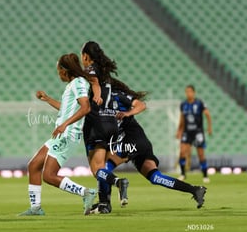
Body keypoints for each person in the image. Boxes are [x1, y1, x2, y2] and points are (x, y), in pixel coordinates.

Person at [91, 79, 207, 213]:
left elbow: (141, 105)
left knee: (103, 167)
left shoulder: (117, 95)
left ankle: (105, 203)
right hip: (140, 142)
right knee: (155, 177)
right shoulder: (100, 102)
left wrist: (128, 113)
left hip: (132, 140)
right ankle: (195, 190)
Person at [19, 53, 96, 216]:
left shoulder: (79, 83)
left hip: (68, 134)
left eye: (59, 71)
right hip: (62, 133)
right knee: (33, 166)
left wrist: (64, 125)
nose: (58, 74)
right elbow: (66, 108)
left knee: (48, 175)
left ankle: (86, 192)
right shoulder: (73, 85)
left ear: (64, 70)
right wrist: (47, 99)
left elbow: (85, 107)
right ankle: (35, 208)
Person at [80, 41, 128, 213]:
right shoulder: (106, 74)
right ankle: (104, 204)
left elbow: (94, 83)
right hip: (111, 123)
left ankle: (118, 182)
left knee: (97, 169)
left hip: (96, 123)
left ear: (85, 56)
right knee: (103, 166)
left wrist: (97, 95)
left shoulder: (90, 70)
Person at [176, 85, 212, 183]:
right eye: (186, 92)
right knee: (182, 152)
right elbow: (182, 118)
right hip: (187, 132)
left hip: (198, 132)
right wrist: (179, 130)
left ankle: (205, 175)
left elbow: (207, 114)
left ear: (194, 92)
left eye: (190, 91)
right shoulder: (183, 104)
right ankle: (183, 174)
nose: (188, 93)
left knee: (201, 154)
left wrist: (209, 127)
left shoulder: (200, 103)